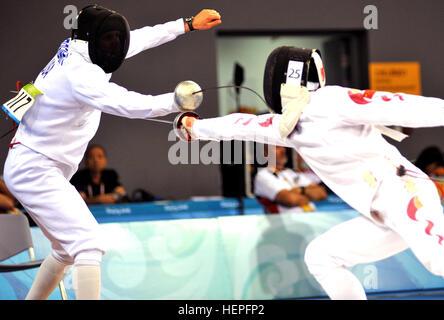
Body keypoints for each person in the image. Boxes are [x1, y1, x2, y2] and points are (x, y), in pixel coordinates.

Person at [177, 45, 444, 300]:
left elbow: (399, 105)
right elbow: (241, 125)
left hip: (404, 194)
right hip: (381, 216)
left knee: (437, 260)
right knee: (321, 256)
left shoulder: (332, 100)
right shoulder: (287, 125)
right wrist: (195, 128)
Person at [3, 5, 221, 300]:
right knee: (88, 243)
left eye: (117, 39)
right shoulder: (80, 74)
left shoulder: (81, 46)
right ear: (93, 40)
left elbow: (141, 38)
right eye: (110, 40)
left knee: (65, 252)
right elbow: (129, 104)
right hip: (34, 167)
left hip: (41, 163)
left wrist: (188, 24)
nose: (116, 46)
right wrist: (176, 101)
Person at [254, 145, 327, 213]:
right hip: (288, 223)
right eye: (277, 147)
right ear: (266, 153)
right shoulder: (263, 175)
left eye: (283, 146)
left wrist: (300, 190)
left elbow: (322, 194)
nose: (283, 149)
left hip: (312, 218)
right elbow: (291, 199)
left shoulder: (292, 173)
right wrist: (308, 193)